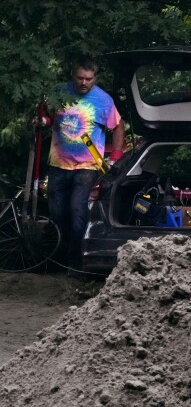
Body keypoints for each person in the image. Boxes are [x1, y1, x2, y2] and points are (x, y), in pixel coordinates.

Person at [46, 58, 124, 272]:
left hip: (87, 166)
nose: (84, 83)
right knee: (57, 211)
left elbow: (118, 126)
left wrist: (115, 156)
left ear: (94, 79)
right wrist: (40, 121)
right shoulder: (58, 92)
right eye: (80, 78)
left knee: (77, 210)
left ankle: (75, 260)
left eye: (88, 79)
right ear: (73, 75)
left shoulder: (103, 100)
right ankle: (58, 256)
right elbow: (44, 114)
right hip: (58, 164)